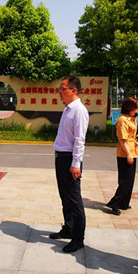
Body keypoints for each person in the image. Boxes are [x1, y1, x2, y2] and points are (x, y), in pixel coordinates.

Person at [49, 75, 89, 253]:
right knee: (64, 196)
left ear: (73, 90)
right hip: (61, 157)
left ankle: (78, 238)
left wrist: (76, 163)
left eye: (62, 89)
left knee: (74, 199)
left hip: (70, 159)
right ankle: (68, 228)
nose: (59, 92)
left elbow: (80, 140)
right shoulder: (67, 109)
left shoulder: (79, 111)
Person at [106, 97, 138, 215]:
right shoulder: (122, 120)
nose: (137, 111)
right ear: (129, 108)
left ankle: (124, 203)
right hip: (125, 153)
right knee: (125, 180)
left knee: (131, 180)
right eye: (135, 109)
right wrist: (128, 154)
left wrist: (134, 119)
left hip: (133, 150)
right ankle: (114, 203)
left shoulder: (130, 119)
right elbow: (122, 140)